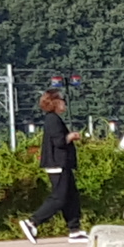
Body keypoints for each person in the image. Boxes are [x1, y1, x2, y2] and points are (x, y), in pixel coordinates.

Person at [36, 91, 83, 236]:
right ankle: (33, 222)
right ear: (55, 102)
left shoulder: (54, 119)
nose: (65, 104)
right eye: (63, 101)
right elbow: (59, 142)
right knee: (59, 198)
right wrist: (71, 136)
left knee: (71, 197)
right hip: (57, 164)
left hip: (63, 164)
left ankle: (74, 229)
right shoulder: (52, 119)